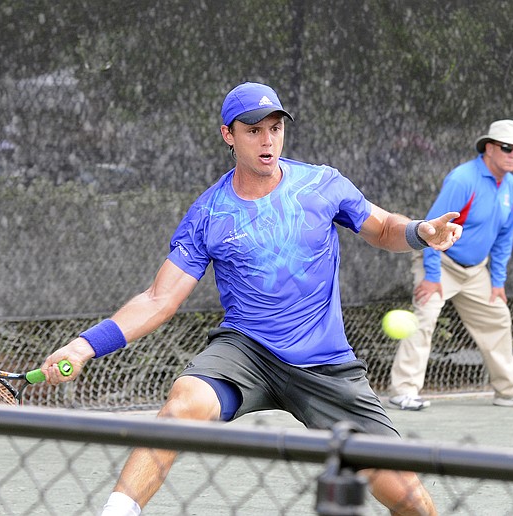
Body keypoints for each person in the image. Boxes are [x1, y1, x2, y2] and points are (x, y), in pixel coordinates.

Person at [41, 82, 462, 516]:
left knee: (412, 502)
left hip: (325, 361)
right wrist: (84, 346)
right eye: (254, 130)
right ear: (229, 134)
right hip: (248, 351)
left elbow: (384, 228)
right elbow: (158, 299)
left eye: (275, 128)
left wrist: (421, 232)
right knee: (185, 401)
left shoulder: (322, 184)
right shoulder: (209, 214)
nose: (267, 141)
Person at [387, 120, 513, 411]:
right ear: (489, 148)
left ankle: (508, 391)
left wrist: (497, 282)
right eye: (507, 148)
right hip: (440, 263)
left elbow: (505, 236)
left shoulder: (511, 185)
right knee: (424, 318)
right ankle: (403, 391)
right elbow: (433, 228)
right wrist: (432, 276)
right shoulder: (462, 179)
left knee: (498, 318)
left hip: (475, 271)